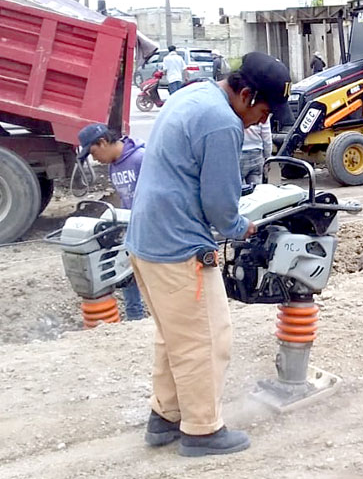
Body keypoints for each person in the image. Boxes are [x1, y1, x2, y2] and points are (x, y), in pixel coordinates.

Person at [125, 52, 292, 456]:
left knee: (175, 336)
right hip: (178, 246)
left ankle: (165, 416)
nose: (263, 121)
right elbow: (220, 203)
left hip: (147, 240)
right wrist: (240, 226)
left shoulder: (195, 94)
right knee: (207, 338)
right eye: (265, 111)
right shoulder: (222, 123)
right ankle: (202, 431)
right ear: (247, 95)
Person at [77, 124, 145, 321]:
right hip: (131, 225)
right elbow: (125, 198)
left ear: (103, 142)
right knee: (126, 272)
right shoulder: (114, 165)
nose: (94, 158)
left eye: (93, 152)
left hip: (150, 227)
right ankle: (135, 319)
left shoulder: (140, 158)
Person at [240, 118, 273, 185]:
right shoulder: (262, 111)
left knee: (239, 189)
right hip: (257, 154)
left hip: (240, 152)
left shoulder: (237, 109)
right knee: (256, 189)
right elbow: (267, 137)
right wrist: (267, 157)